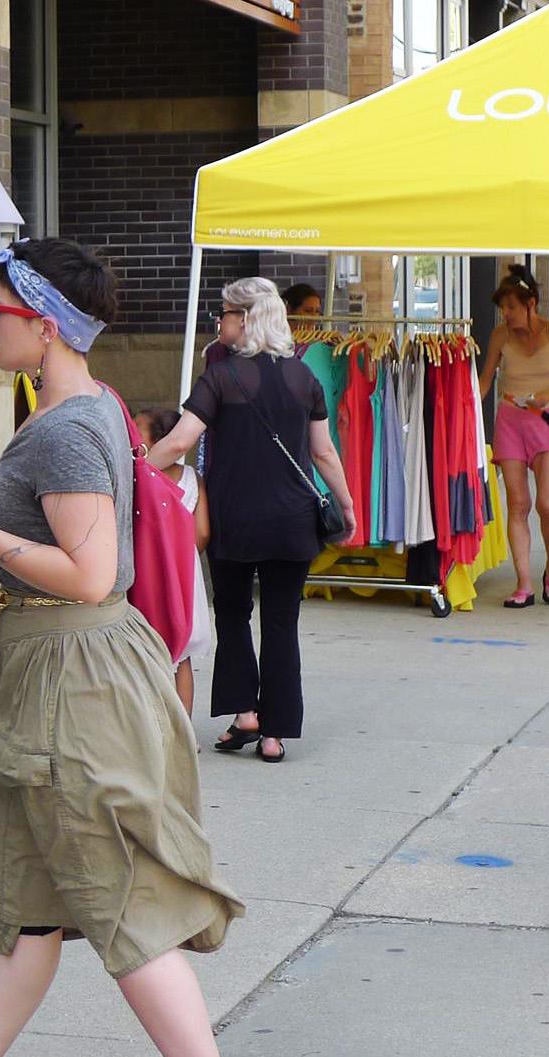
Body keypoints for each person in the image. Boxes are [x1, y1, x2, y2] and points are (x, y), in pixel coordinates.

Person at [0, 237, 242, 1057]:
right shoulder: (91, 403)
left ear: (47, 327)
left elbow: (90, 574)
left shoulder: (64, 428)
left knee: (120, 901)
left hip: (73, 682)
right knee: (33, 903)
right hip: (62, 674)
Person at [145, 277, 358, 765]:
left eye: (223, 314)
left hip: (234, 520)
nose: (218, 322)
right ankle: (275, 734)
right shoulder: (305, 379)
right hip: (292, 522)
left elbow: (180, 442)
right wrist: (345, 505)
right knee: (283, 623)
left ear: (245, 319)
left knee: (234, 615)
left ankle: (245, 714)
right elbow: (323, 452)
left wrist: (135, 469)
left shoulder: (220, 378)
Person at [478, 263, 549, 608]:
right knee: (518, 504)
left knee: (547, 503)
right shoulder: (499, 336)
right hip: (510, 421)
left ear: (531, 303)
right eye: (502, 308)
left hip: (546, 420)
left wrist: (548, 393)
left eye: (511, 307)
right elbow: (485, 381)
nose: (505, 314)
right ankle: (523, 582)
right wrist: (461, 406)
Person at [136, 407, 214, 712]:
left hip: (149, 571)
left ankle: (152, 727)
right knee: (182, 655)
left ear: (158, 440)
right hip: (186, 572)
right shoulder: (194, 479)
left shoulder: (142, 477)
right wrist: (185, 555)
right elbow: (204, 531)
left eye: (139, 429)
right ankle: (185, 731)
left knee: (147, 647)